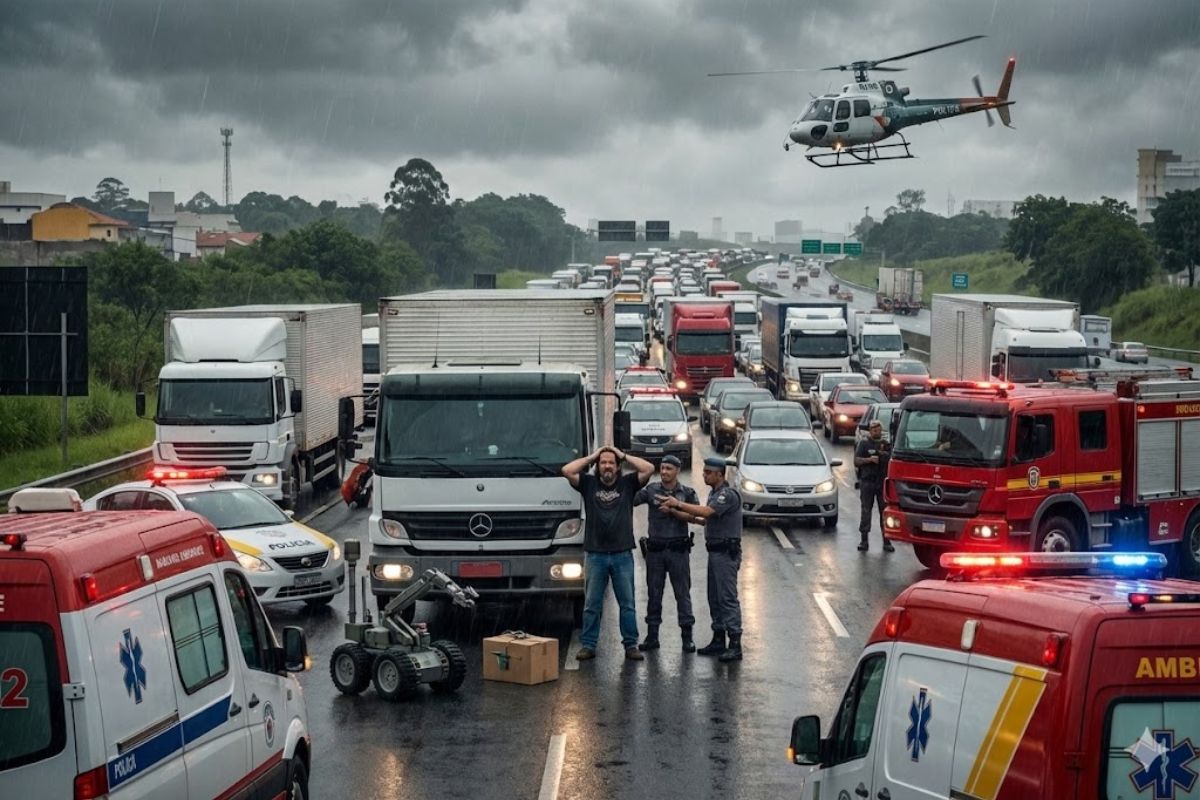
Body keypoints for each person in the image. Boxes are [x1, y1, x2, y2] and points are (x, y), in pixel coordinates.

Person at [563, 446, 655, 661]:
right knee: (592, 605)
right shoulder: (588, 484)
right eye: (603, 463)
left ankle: (631, 645)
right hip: (595, 554)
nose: (607, 466)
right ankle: (589, 645)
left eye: (611, 463)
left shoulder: (628, 484)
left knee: (627, 604)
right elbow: (567, 470)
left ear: (617, 467)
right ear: (597, 466)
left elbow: (649, 468)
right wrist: (594, 456)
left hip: (622, 554)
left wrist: (621, 454)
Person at [658, 456, 744, 662]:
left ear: (720, 475)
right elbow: (702, 519)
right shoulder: (714, 493)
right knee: (714, 598)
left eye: (707, 472)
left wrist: (678, 502)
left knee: (727, 598)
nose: (703, 475)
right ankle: (718, 638)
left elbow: (706, 512)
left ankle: (735, 643)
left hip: (725, 553)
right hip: (715, 553)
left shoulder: (727, 495)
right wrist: (676, 512)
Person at [633, 455, 700, 653]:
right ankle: (652, 636)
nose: (664, 472)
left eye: (669, 468)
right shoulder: (652, 490)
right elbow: (632, 498)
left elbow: (696, 515)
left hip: (678, 551)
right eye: (662, 468)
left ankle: (687, 637)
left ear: (677, 471)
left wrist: (674, 509)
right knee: (654, 595)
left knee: (682, 595)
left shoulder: (686, 492)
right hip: (656, 551)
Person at [855, 420, 894, 553]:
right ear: (870, 431)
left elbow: (891, 459)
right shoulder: (864, 443)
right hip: (867, 482)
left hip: (881, 482)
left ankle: (887, 541)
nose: (876, 432)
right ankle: (864, 540)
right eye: (873, 430)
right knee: (866, 511)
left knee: (884, 512)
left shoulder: (885, 444)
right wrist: (869, 460)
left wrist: (882, 455)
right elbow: (856, 460)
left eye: (878, 430)